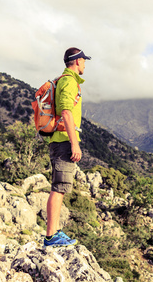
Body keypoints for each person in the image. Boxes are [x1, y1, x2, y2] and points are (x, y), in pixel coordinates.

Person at [43, 47, 91, 247]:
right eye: (84, 60)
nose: (85, 64)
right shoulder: (69, 82)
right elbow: (66, 113)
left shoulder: (65, 80)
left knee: (60, 188)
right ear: (77, 61)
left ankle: (53, 233)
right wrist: (74, 143)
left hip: (60, 140)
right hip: (63, 141)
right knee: (59, 188)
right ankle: (51, 236)